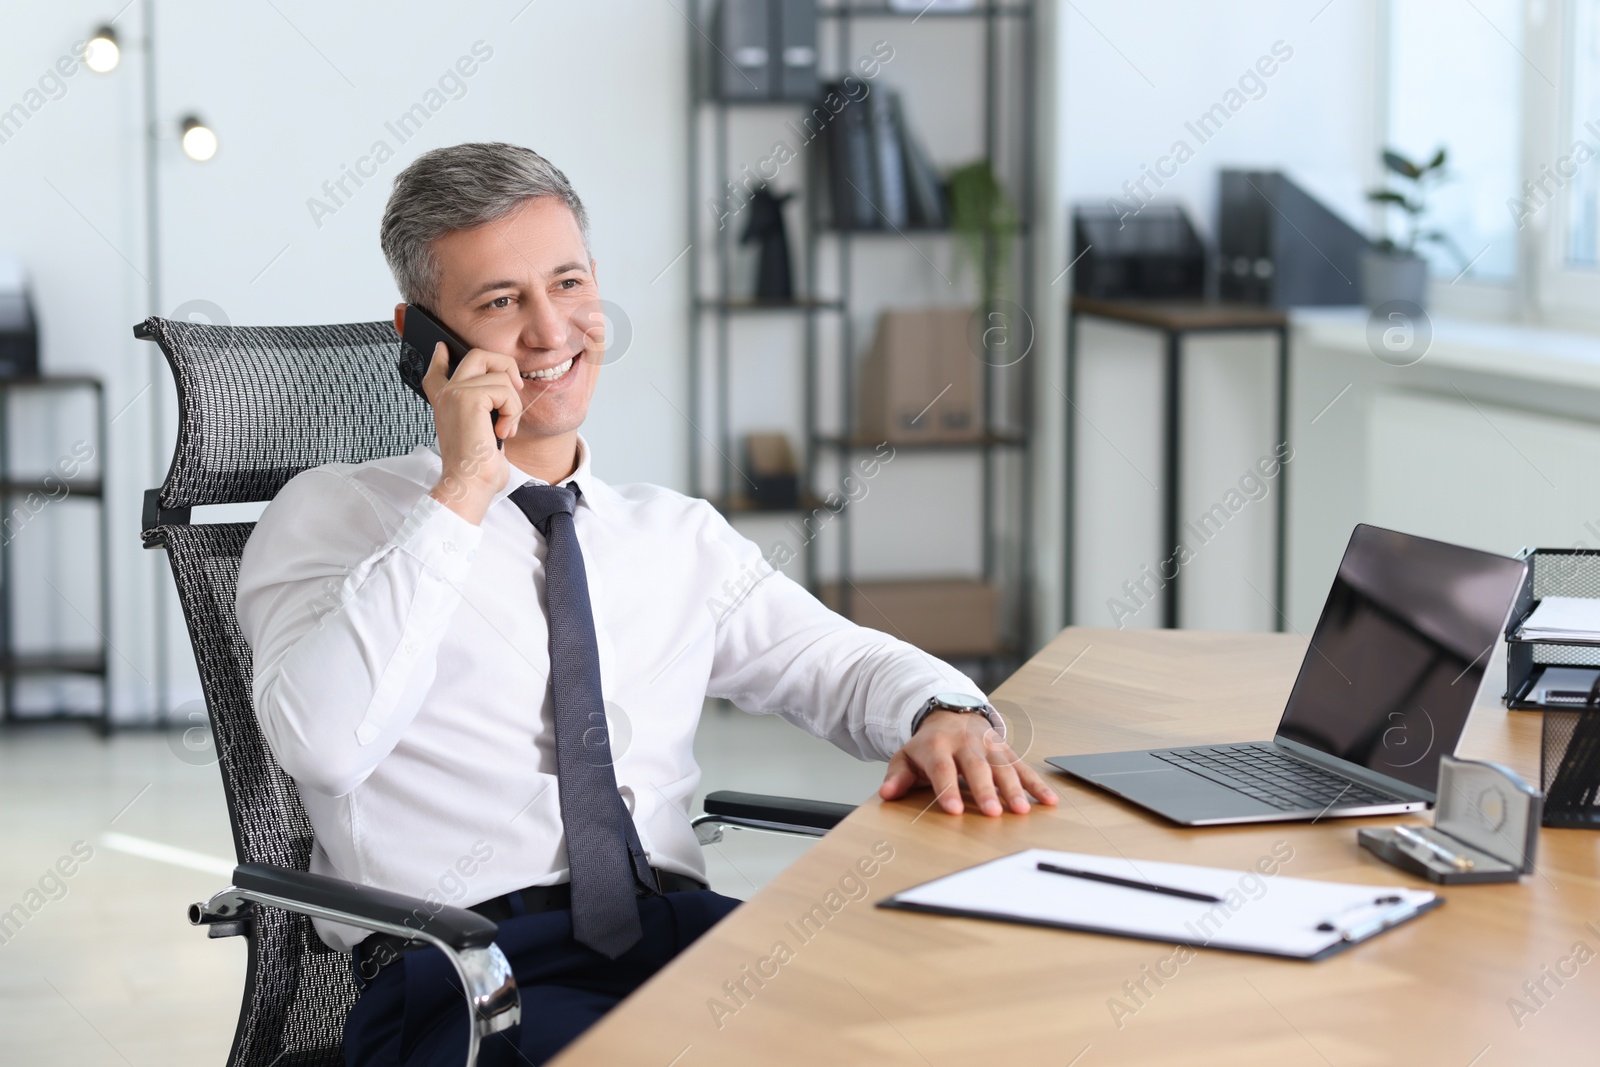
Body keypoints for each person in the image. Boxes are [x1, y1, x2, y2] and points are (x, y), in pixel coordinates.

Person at [236, 141, 1057, 1067]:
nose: (552, 331)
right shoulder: (335, 516)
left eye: (569, 283)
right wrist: (465, 488)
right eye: (501, 302)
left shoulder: (674, 534)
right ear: (422, 338)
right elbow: (322, 743)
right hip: (471, 977)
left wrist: (942, 710)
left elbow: (840, 660)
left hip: (688, 936)